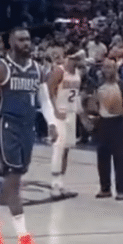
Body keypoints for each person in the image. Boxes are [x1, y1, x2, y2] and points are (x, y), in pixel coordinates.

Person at [0, 28, 52, 244]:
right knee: (13, 181)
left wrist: (51, 123)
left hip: (27, 129)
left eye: (28, 39)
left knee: (13, 181)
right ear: (11, 42)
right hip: (7, 127)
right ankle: (24, 238)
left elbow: (44, 99)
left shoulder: (37, 69)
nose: (26, 43)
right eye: (21, 39)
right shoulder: (0, 69)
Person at [46, 49, 84, 200]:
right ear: (70, 57)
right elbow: (48, 91)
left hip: (71, 113)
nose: (79, 61)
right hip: (60, 113)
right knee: (58, 148)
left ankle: (60, 183)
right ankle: (54, 186)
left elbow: (76, 95)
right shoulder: (59, 71)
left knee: (66, 150)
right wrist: (54, 110)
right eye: (77, 58)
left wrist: (81, 114)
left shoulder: (78, 73)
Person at [94, 59, 123, 200]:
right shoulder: (99, 85)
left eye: (110, 67)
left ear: (115, 69)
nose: (107, 70)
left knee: (120, 157)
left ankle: (121, 190)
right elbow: (94, 102)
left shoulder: (122, 86)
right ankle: (105, 188)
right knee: (102, 156)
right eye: (105, 67)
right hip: (103, 122)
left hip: (118, 123)